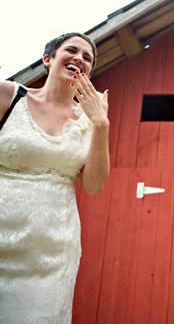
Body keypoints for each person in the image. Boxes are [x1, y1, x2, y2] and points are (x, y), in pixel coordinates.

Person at [0, 32, 109, 323]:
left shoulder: (90, 118)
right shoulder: (7, 97)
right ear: (48, 59)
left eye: (87, 58)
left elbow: (94, 185)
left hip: (53, 250)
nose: (79, 59)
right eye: (71, 50)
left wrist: (100, 123)